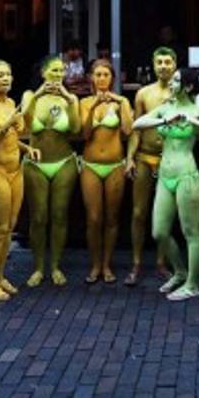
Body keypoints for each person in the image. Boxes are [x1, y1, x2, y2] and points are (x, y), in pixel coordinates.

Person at [134, 68, 199, 301]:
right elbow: (138, 123)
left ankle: (193, 284)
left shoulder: (196, 109)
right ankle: (180, 272)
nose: (171, 83)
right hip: (165, 175)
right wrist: (165, 119)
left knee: (191, 232)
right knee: (159, 232)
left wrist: (193, 120)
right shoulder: (166, 107)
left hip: (187, 175)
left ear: (187, 86)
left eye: (177, 80)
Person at [0, 60, 39, 301]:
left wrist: (26, 148)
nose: (6, 79)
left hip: (15, 171)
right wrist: (4, 127)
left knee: (9, 230)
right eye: (0, 75)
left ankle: (0, 275)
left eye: (8, 74)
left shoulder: (12, 103)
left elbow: (13, 137)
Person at [20, 56, 81, 288]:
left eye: (61, 71)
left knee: (59, 216)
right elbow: (24, 122)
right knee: (38, 217)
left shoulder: (70, 98)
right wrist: (37, 95)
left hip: (63, 161)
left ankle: (55, 265)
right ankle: (38, 267)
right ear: (43, 72)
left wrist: (69, 100)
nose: (58, 75)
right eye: (54, 70)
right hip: (36, 163)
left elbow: (75, 129)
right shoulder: (29, 95)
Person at [79, 59, 134, 284]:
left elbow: (129, 130)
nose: (102, 79)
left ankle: (107, 264)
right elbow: (84, 134)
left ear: (112, 78)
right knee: (93, 218)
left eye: (106, 75)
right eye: (98, 75)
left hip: (115, 164)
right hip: (91, 164)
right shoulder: (84, 102)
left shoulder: (121, 102)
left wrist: (120, 102)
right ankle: (94, 265)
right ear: (91, 78)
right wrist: (94, 107)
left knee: (112, 218)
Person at [127, 47, 176, 286]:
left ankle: (161, 262)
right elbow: (137, 129)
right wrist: (129, 158)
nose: (164, 66)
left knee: (165, 213)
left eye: (168, 62)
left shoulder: (181, 95)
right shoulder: (143, 93)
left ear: (175, 65)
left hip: (170, 159)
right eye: (160, 62)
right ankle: (136, 263)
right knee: (139, 212)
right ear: (154, 66)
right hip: (145, 157)